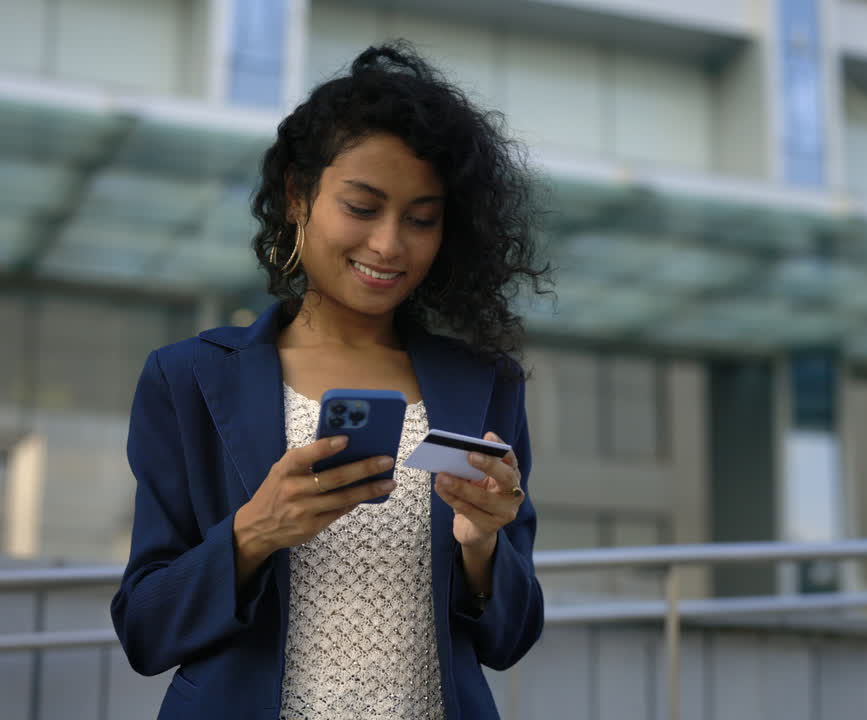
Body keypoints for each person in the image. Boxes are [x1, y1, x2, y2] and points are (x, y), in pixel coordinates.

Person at [110, 42, 549, 719]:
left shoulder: (486, 385)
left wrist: (484, 545)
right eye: (363, 207)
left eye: (422, 219)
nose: (389, 244)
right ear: (297, 195)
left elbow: (510, 639)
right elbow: (145, 630)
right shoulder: (190, 380)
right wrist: (254, 532)